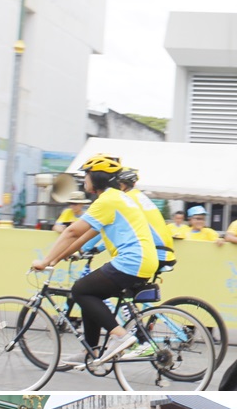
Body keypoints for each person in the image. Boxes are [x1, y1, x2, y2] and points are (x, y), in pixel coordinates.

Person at [30, 154, 158, 362]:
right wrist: (57, 258)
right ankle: (92, 349)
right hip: (142, 260)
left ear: (97, 178)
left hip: (132, 261)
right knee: (90, 293)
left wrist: (44, 261)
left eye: (87, 175)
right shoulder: (117, 198)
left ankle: (120, 336)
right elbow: (84, 236)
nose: (85, 180)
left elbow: (72, 232)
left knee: (80, 290)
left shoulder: (107, 200)